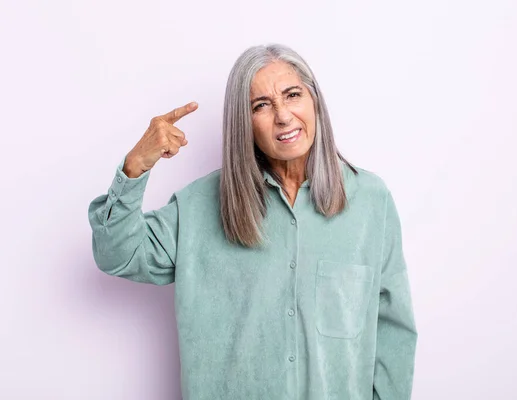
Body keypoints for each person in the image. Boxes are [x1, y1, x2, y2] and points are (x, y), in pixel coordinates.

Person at [88, 43, 418, 400]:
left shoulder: (370, 201)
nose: (283, 115)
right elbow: (116, 254)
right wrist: (136, 166)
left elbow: (393, 328)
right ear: (243, 123)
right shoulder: (198, 207)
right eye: (261, 105)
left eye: (293, 95)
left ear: (315, 102)